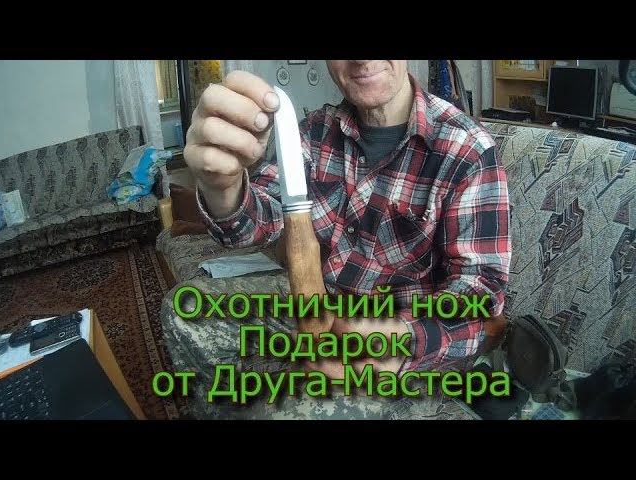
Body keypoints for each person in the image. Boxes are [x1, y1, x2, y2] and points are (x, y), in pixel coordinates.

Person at [166, 60, 511, 419]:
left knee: (283, 411)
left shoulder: (468, 150)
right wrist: (223, 189)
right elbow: (259, 221)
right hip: (318, 309)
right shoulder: (313, 131)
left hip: (410, 352)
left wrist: (402, 341)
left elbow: (481, 295)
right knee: (184, 309)